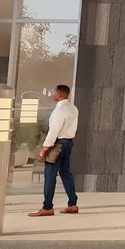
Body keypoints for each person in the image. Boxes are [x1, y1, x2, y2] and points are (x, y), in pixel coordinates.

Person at [28, 84, 80, 217]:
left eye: (54, 92)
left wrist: (43, 150)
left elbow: (54, 131)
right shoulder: (73, 108)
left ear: (60, 93)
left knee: (50, 175)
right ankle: (72, 204)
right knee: (65, 173)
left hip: (57, 144)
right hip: (69, 142)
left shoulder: (60, 110)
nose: (53, 94)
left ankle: (47, 207)